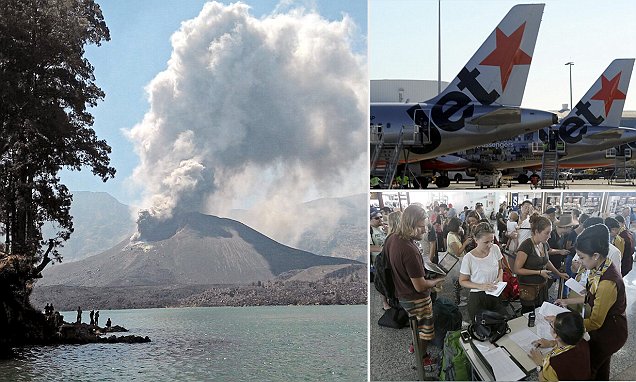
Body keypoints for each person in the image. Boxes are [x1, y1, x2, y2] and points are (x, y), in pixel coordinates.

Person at [555, 224, 627, 380]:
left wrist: (563, 325)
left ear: (595, 255)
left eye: (582, 257)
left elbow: (595, 322)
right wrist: (567, 301)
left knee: (590, 367)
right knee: (602, 366)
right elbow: (590, 296)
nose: (579, 262)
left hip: (610, 332)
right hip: (606, 327)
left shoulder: (608, 282)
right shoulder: (601, 267)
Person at [386, 204, 446, 366]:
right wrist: (436, 281)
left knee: (416, 327)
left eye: (426, 225)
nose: (425, 230)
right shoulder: (409, 250)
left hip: (402, 293)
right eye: (421, 227)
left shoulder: (393, 239)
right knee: (425, 332)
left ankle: (415, 347)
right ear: (409, 224)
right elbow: (420, 286)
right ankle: (422, 359)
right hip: (416, 299)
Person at [515, 215, 568, 312]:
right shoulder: (526, 246)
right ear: (536, 232)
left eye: (550, 233)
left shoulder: (544, 244)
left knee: (541, 311)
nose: (550, 236)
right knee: (529, 313)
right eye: (547, 233)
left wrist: (558, 273)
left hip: (542, 286)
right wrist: (539, 272)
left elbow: (546, 260)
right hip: (529, 289)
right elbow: (517, 269)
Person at [459, 222, 508, 321]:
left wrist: (500, 277)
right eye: (486, 242)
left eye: (492, 241)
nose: (490, 245)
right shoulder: (469, 258)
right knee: (482, 329)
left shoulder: (495, 249)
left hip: (495, 293)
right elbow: (462, 281)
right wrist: (481, 286)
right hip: (478, 297)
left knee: (500, 323)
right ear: (476, 240)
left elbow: (500, 268)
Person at [528, 311, 591, 381]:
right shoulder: (583, 342)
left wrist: (539, 364)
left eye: (551, 324)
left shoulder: (553, 365)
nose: (551, 323)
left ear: (556, 335)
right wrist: (551, 343)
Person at [446, 217, 472, 307]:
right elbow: (457, 252)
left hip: (458, 262)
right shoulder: (451, 237)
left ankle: (460, 297)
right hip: (454, 263)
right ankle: (457, 301)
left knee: (458, 282)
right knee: (456, 283)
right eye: (460, 226)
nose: (461, 228)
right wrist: (465, 243)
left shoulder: (454, 235)